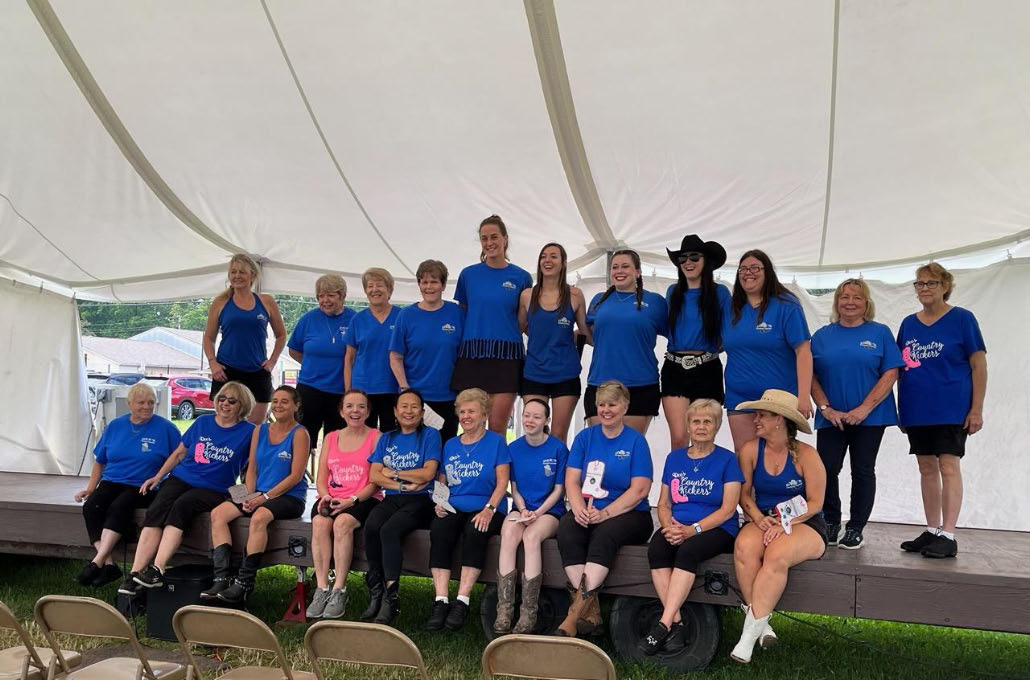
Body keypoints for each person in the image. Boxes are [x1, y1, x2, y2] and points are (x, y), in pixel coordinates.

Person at [117, 382, 255, 596]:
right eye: (221, 398)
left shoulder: (249, 431)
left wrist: (249, 492)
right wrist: (158, 476)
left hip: (214, 488)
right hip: (182, 477)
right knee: (156, 509)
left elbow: (256, 464)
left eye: (232, 400)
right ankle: (135, 574)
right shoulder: (202, 422)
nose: (225, 404)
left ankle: (158, 569)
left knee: (183, 505)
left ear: (242, 405)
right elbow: (179, 454)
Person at [896, 263, 986, 559]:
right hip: (917, 409)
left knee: (949, 466)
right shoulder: (908, 323)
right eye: (919, 284)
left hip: (951, 407)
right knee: (925, 468)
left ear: (946, 286)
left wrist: (976, 408)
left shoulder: (962, 319)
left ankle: (948, 533)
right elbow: (900, 369)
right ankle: (932, 529)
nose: (924, 288)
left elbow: (978, 365)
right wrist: (902, 409)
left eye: (931, 283)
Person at [639, 399, 743, 655]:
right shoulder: (674, 459)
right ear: (687, 426)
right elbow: (663, 503)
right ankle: (677, 623)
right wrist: (668, 527)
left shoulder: (728, 460)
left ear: (717, 426)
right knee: (657, 550)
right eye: (696, 421)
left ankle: (663, 623)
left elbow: (729, 509)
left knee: (687, 552)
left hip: (717, 528)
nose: (701, 426)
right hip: (677, 526)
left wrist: (691, 530)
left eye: (708, 421)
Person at [730, 389, 826, 664]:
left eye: (762, 415)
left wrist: (787, 523)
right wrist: (759, 519)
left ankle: (747, 637)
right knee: (744, 547)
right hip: (765, 517)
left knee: (777, 554)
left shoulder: (806, 454)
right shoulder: (750, 450)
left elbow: (816, 502)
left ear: (780, 420)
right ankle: (761, 624)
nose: (755, 420)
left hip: (804, 521)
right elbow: (744, 495)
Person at [811, 279, 903, 549]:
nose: (850, 302)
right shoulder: (822, 336)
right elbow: (810, 375)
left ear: (867, 304)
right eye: (844, 297)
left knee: (862, 470)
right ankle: (830, 522)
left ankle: (855, 527)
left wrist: (864, 409)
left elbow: (891, 372)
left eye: (857, 298)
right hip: (831, 418)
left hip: (871, 417)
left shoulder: (880, 333)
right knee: (826, 469)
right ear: (836, 302)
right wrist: (826, 408)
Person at [557, 380, 653, 637]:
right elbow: (572, 480)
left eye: (612, 404)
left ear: (625, 407)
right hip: (590, 509)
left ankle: (573, 617)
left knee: (604, 534)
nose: (606, 410)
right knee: (567, 528)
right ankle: (592, 614)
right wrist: (578, 509)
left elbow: (640, 490)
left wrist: (606, 513)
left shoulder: (635, 442)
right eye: (601, 404)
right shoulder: (585, 438)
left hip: (631, 514)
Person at [201, 386, 310, 604]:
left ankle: (244, 583)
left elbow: (296, 476)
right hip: (258, 491)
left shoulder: (300, 433)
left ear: (296, 406)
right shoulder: (260, 430)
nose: (278, 405)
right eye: (275, 400)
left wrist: (265, 498)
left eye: (285, 401)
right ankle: (221, 577)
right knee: (219, 514)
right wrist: (248, 495)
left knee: (260, 517)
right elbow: (251, 469)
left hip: (289, 496)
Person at [74, 382, 181, 588]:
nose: (147, 406)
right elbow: (100, 461)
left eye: (151, 402)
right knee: (92, 507)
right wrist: (90, 488)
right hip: (112, 480)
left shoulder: (166, 428)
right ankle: (109, 565)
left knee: (119, 506)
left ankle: (97, 562)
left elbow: (180, 457)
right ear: (130, 404)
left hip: (144, 485)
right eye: (141, 402)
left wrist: (163, 479)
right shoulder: (116, 426)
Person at [427, 389, 510, 632]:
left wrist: (489, 509)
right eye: (462, 412)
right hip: (455, 505)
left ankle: (462, 601)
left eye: (471, 411)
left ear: (484, 414)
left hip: (487, 504)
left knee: (475, 531)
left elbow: (502, 482)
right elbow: (442, 480)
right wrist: (440, 502)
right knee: (439, 529)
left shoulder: (496, 442)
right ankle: (441, 601)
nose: (465, 416)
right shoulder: (451, 444)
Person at [363, 390, 443, 625]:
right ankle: (376, 592)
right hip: (395, 497)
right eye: (404, 407)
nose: (409, 411)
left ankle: (392, 598)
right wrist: (404, 483)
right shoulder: (387, 438)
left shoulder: (431, 435)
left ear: (422, 412)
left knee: (389, 530)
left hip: (421, 500)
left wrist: (394, 473)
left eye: (414, 407)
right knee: (372, 526)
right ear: (396, 412)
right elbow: (374, 475)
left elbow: (428, 473)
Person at [723, 250, 813, 453]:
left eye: (755, 268)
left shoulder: (787, 305)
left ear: (768, 272)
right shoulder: (731, 308)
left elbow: (803, 351)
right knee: (745, 457)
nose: (748, 273)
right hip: (740, 398)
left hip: (778, 400)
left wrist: (804, 396)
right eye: (743, 269)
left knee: (775, 457)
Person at [451, 215, 533, 435]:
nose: (489, 243)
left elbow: (526, 319)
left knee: (497, 428)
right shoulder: (468, 275)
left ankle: (498, 471)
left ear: (505, 239)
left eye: (494, 237)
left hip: (507, 358)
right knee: (472, 427)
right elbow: (462, 315)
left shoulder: (522, 277)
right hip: (472, 357)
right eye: (484, 238)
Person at [306, 390, 383, 620]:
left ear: (368, 411)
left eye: (361, 406)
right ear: (341, 411)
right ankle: (321, 588)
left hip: (363, 498)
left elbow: (375, 481)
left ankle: (339, 589)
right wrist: (324, 496)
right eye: (349, 406)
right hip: (332, 496)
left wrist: (352, 500)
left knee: (342, 524)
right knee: (320, 522)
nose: (355, 411)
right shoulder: (331, 437)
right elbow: (321, 476)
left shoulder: (376, 437)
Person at [493, 399, 568, 634]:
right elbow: (514, 487)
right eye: (526, 415)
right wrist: (523, 509)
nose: (530, 420)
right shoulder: (513, 448)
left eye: (536, 416)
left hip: (549, 511)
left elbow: (559, 490)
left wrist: (537, 513)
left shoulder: (558, 448)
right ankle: (504, 610)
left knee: (532, 537)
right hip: (522, 508)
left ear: (546, 421)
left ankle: (528, 613)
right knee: (508, 532)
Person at [585, 250, 668, 434]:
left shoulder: (655, 302)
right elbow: (591, 335)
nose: (619, 271)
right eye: (615, 267)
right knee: (599, 449)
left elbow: (676, 335)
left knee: (628, 450)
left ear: (638, 271)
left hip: (640, 385)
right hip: (600, 383)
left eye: (625, 266)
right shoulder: (598, 300)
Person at [518, 242, 591, 444]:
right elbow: (520, 327)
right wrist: (542, 336)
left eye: (553, 256)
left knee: (558, 435)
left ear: (563, 263)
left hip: (565, 373)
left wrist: (611, 342)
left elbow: (585, 331)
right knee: (534, 434)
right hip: (534, 372)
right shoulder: (527, 295)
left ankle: (559, 477)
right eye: (543, 256)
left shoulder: (575, 295)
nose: (547, 260)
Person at [662, 235, 731, 450]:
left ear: (706, 261)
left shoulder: (719, 293)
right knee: (679, 437)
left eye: (694, 257)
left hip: (707, 367)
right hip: (675, 367)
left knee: (703, 436)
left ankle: (703, 482)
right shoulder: (673, 292)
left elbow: (728, 331)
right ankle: (678, 483)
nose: (688, 263)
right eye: (682, 259)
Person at [204, 253, 286, 424]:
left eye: (242, 272)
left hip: (258, 371)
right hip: (226, 372)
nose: (237, 276)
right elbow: (209, 337)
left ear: (252, 276)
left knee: (254, 429)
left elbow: (281, 335)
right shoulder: (220, 302)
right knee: (225, 424)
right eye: (233, 272)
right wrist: (212, 362)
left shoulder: (266, 301)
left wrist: (272, 361)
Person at [390, 260, 465, 441]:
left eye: (434, 282)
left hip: (448, 397)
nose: (429, 287)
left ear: (443, 285)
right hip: (416, 400)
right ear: (419, 285)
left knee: (445, 450)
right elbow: (395, 356)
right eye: (424, 282)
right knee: (415, 452)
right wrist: (406, 389)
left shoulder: (457, 313)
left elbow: (466, 355)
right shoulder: (406, 315)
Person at [289, 274, 356, 445]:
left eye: (331, 295)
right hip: (309, 389)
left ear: (342, 296)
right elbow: (294, 350)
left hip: (341, 392)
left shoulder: (355, 319)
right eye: (321, 296)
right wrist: (313, 366)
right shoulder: (308, 319)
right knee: (302, 440)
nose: (325, 300)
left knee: (336, 443)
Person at [344, 268, 401, 432]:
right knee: (363, 436)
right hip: (363, 390)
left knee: (391, 436)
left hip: (393, 388)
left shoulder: (401, 316)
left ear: (389, 289)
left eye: (380, 285)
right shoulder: (358, 319)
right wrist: (349, 392)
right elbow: (349, 359)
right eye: (370, 286)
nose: (374, 290)